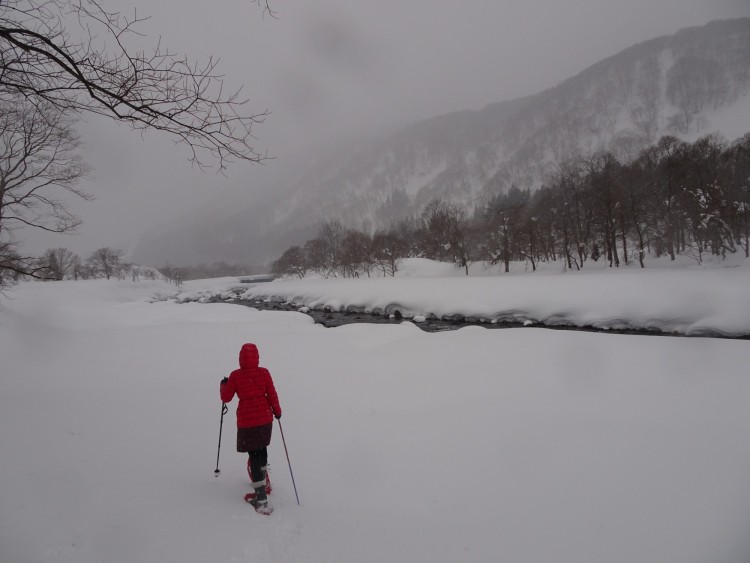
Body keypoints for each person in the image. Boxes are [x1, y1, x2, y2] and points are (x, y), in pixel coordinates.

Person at [220, 343, 281, 514]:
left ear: (240, 358)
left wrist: (223, 385)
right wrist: (277, 411)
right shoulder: (264, 372)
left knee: (254, 456)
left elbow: (226, 397)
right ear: (257, 357)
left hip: (248, 423)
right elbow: (272, 393)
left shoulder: (236, 376)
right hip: (265, 420)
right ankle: (264, 482)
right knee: (262, 451)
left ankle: (261, 499)